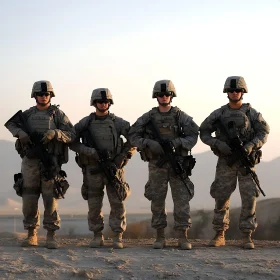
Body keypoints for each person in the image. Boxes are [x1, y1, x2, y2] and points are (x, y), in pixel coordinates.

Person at [199, 76, 270, 249]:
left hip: (246, 161)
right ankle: (219, 233)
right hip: (226, 162)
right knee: (221, 196)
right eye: (231, 91)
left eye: (237, 90)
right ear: (227, 93)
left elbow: (264, 131)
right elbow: (204, 132)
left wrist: (251, 145)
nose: (234, 93)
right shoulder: (219, 114)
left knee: (249, 197)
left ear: (243, 92)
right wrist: (218, 144)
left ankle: (246, 236)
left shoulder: (252, 114)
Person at [128, 80, 199, 250]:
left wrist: (178, 143)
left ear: (171, 96)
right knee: (157, 200)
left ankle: (182, 236)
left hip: (177, 163)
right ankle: (159, 237)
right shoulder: (148, 117)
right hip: (156, 164)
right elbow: (132, 135)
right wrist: (147, 143)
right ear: (156, 96)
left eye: (167, 94)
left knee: (181, 200)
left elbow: (193, 135)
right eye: (161, 95)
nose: (164, 97)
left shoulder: (181, 116)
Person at [5, 80, 75, 249]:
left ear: (51, 96)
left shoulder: (58, 115)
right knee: (29, 196)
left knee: (50, 197)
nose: (43, 97)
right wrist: (21, 133)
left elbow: (71, 134)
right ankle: (31, 234)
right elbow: (11, 124)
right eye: (40, 94)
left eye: (46, 94)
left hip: (50, 160)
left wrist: (55, 133)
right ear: (34, 96)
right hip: (30, 161)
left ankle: (51, 235)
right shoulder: (28, 114)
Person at [70, 88, 135, 249]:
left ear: (110, 103)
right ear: (94, 103)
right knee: (94, 204)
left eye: (106, 101)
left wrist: (122, 157)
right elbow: (71, 140)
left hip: (113, 168)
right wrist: (89, 151)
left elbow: (134, 138)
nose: (103, 104)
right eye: (100, 101)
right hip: (92, 169)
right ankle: (97, 235)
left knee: (117, 202)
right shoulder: (85, 123)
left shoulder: (117, 122)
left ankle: (117, 236)